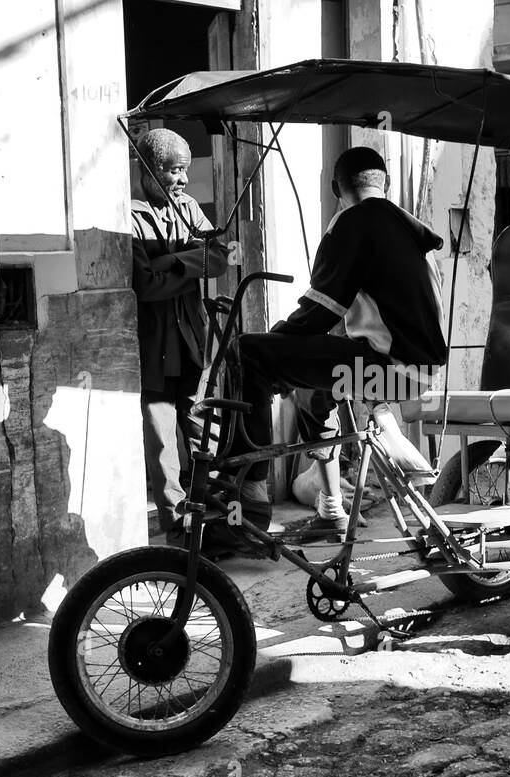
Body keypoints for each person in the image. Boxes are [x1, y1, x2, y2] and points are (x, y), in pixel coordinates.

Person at [221, 145, 447, 541]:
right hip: (414, 374)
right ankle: (331, 508)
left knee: (247, 352)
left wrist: (275, 347)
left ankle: (247, 492)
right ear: (387, 184)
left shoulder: (353, 223)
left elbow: (319, 311)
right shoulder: (410, 228)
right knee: (313, 388)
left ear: (333, 188)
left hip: (384, 370)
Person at [131, 127, 233, 539]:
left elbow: (221, 259)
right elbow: (145, 285)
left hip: (192, 341)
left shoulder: (188, 207)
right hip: (154, 347)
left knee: (204, 431)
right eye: (175, 171)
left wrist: (171, 261)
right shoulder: (130, 215)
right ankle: (178, 530)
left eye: (185, 171)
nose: (184, 180)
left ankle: (216, 519)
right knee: (162, 446)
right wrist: (192, 266)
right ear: (150, 170)